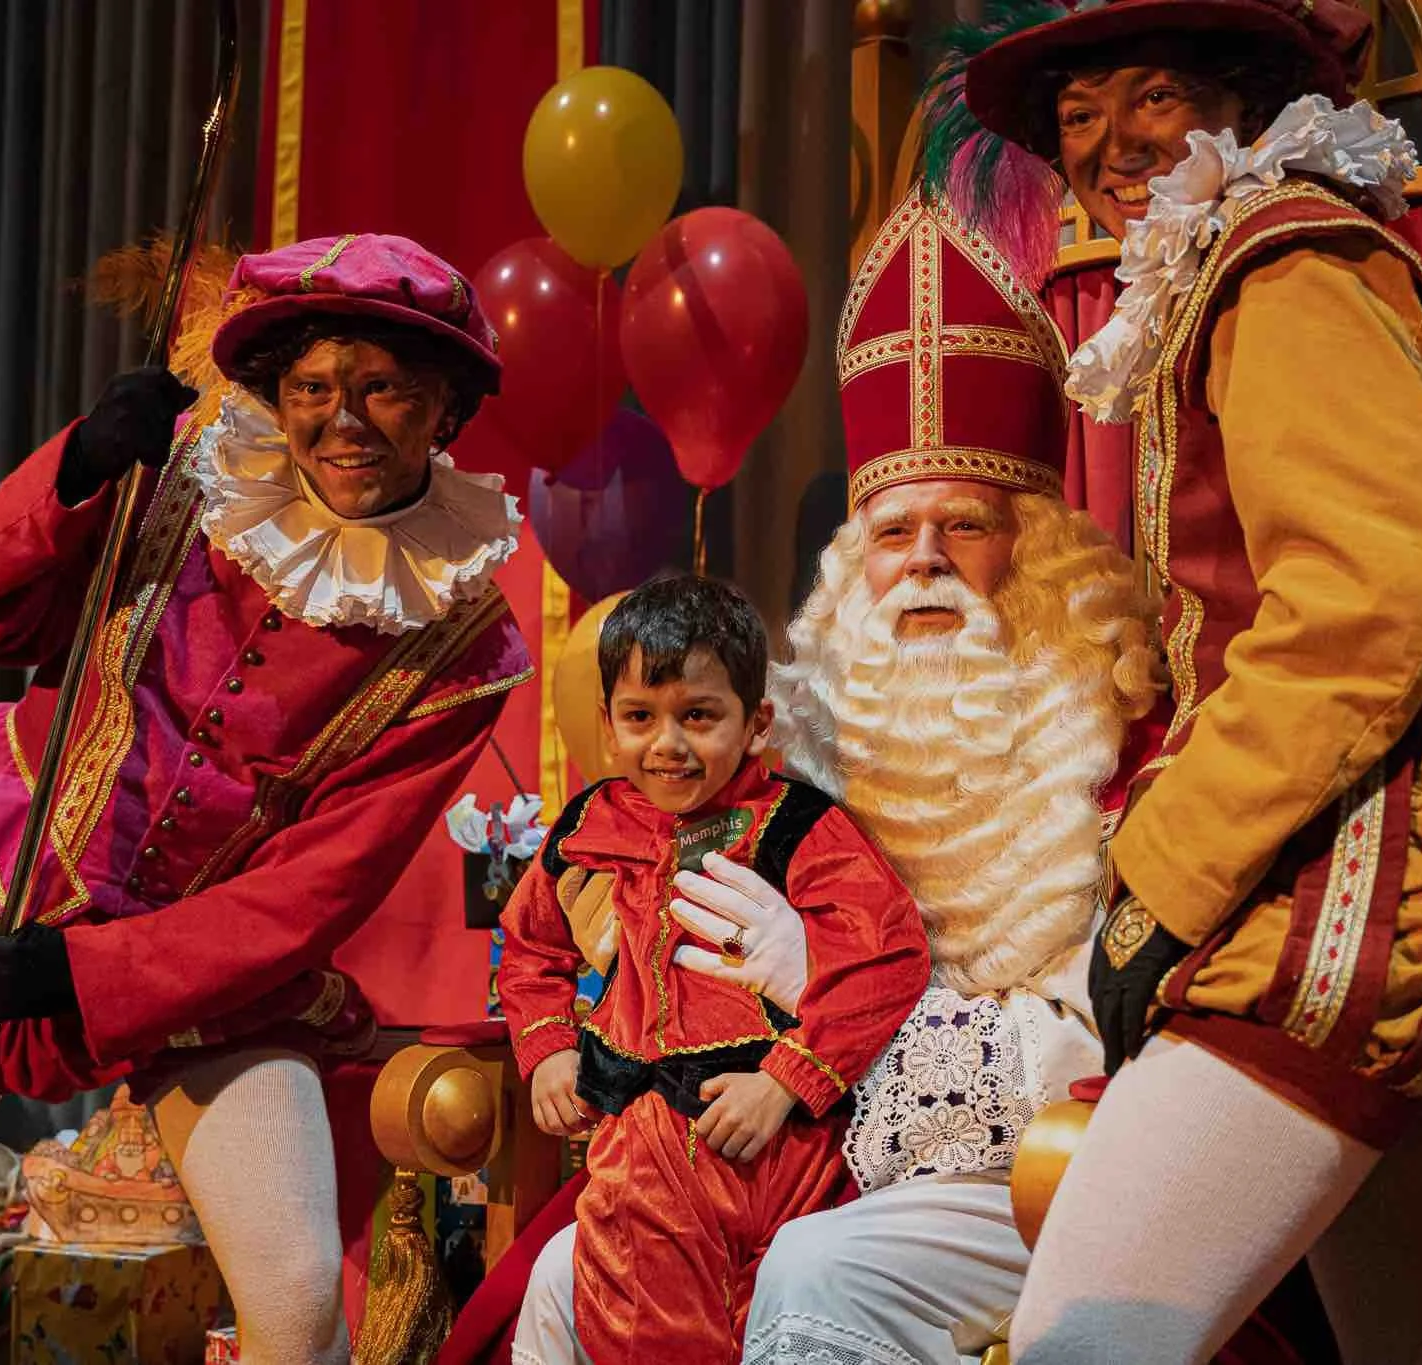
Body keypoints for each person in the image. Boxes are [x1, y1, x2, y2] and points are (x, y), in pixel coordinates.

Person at [930, 2, 1422, 1360]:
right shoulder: (1220, 270)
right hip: (1376, 870)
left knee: (1088, 1341)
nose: (1111, 144)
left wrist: (1162, 881)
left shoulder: (1285, 253)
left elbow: (1372, 596)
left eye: (1150, 97)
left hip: (1360, 880)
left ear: (1239, 98)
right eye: (1079, 118)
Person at [0, 233, 534, 1365]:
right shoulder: (187, 473)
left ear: (446, 409)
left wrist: (87, 973)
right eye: (311, 388)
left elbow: (310, 891)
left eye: (384, 389)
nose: (344, 419)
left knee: (294, 1305)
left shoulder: (467, 645)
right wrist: (81, 465)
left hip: (208, 968)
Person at [509, 186, 1169, 1365]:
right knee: (569, 1268)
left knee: (820, 1271)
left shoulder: (1114, 749)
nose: (922, 561)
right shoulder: (793, 752)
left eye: (963, 527)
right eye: (890, 531)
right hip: (775, 1140)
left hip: (1013, 1169)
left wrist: (828, 985)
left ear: (1039, 549)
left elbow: (1100, 1047)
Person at [498, 572, 931, 1365]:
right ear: (607, 723)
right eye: (640, 718)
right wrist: (549, 1045)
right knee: (641, 1289)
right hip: (641, 1129)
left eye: (698, 716)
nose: (667, 743)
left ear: (756, 721)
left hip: (767, 1127)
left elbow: (887, 959)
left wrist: (787, 1081)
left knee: (755, 1312)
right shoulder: (593, 823)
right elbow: (531, 947)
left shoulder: (798, 825)